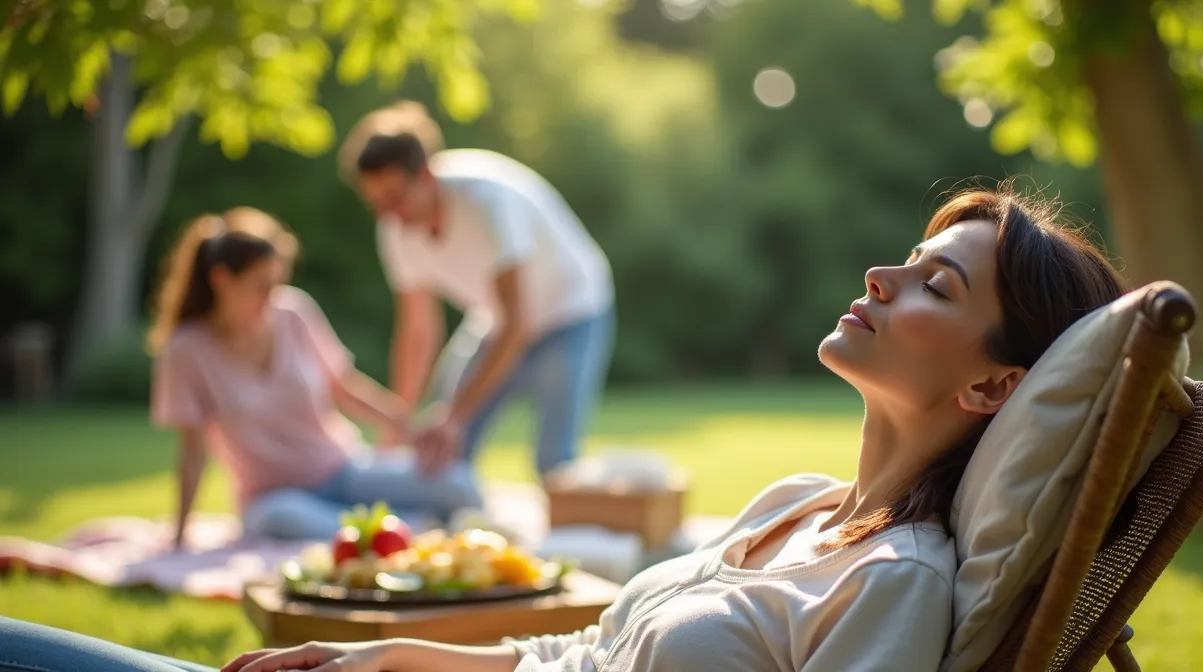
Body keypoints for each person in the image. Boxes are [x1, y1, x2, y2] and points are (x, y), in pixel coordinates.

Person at [3, 186, 1126, 671]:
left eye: (933, 283)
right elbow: (568, 655)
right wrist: (384, 651)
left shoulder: (897, 582)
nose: (882, 273)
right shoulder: (792, 511)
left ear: (991, 388)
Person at [147, 207, 483, 545]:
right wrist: (179, 536)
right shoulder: (186, 350)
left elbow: (346, 388)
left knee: (460, 485)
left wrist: (413, 428)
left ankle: (398, 528)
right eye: (260, 287)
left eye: (277, 284)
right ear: (221, 279)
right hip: (276, 497)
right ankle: (406, 530)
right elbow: (192, 449)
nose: (271, 298)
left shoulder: (293, 312)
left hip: (343, 470)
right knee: (287, 520)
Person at [336, 101, 615, 479]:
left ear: (426, 177)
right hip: (495, 321)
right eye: (376, 204)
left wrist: (453, 414)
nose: (388, 213)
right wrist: (398, 424)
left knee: (553, 462)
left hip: (571, 313)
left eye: (396, 198)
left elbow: (518, 324)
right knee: (446, 449)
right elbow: (417, 332)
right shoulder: (394, 229)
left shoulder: (488, 201)